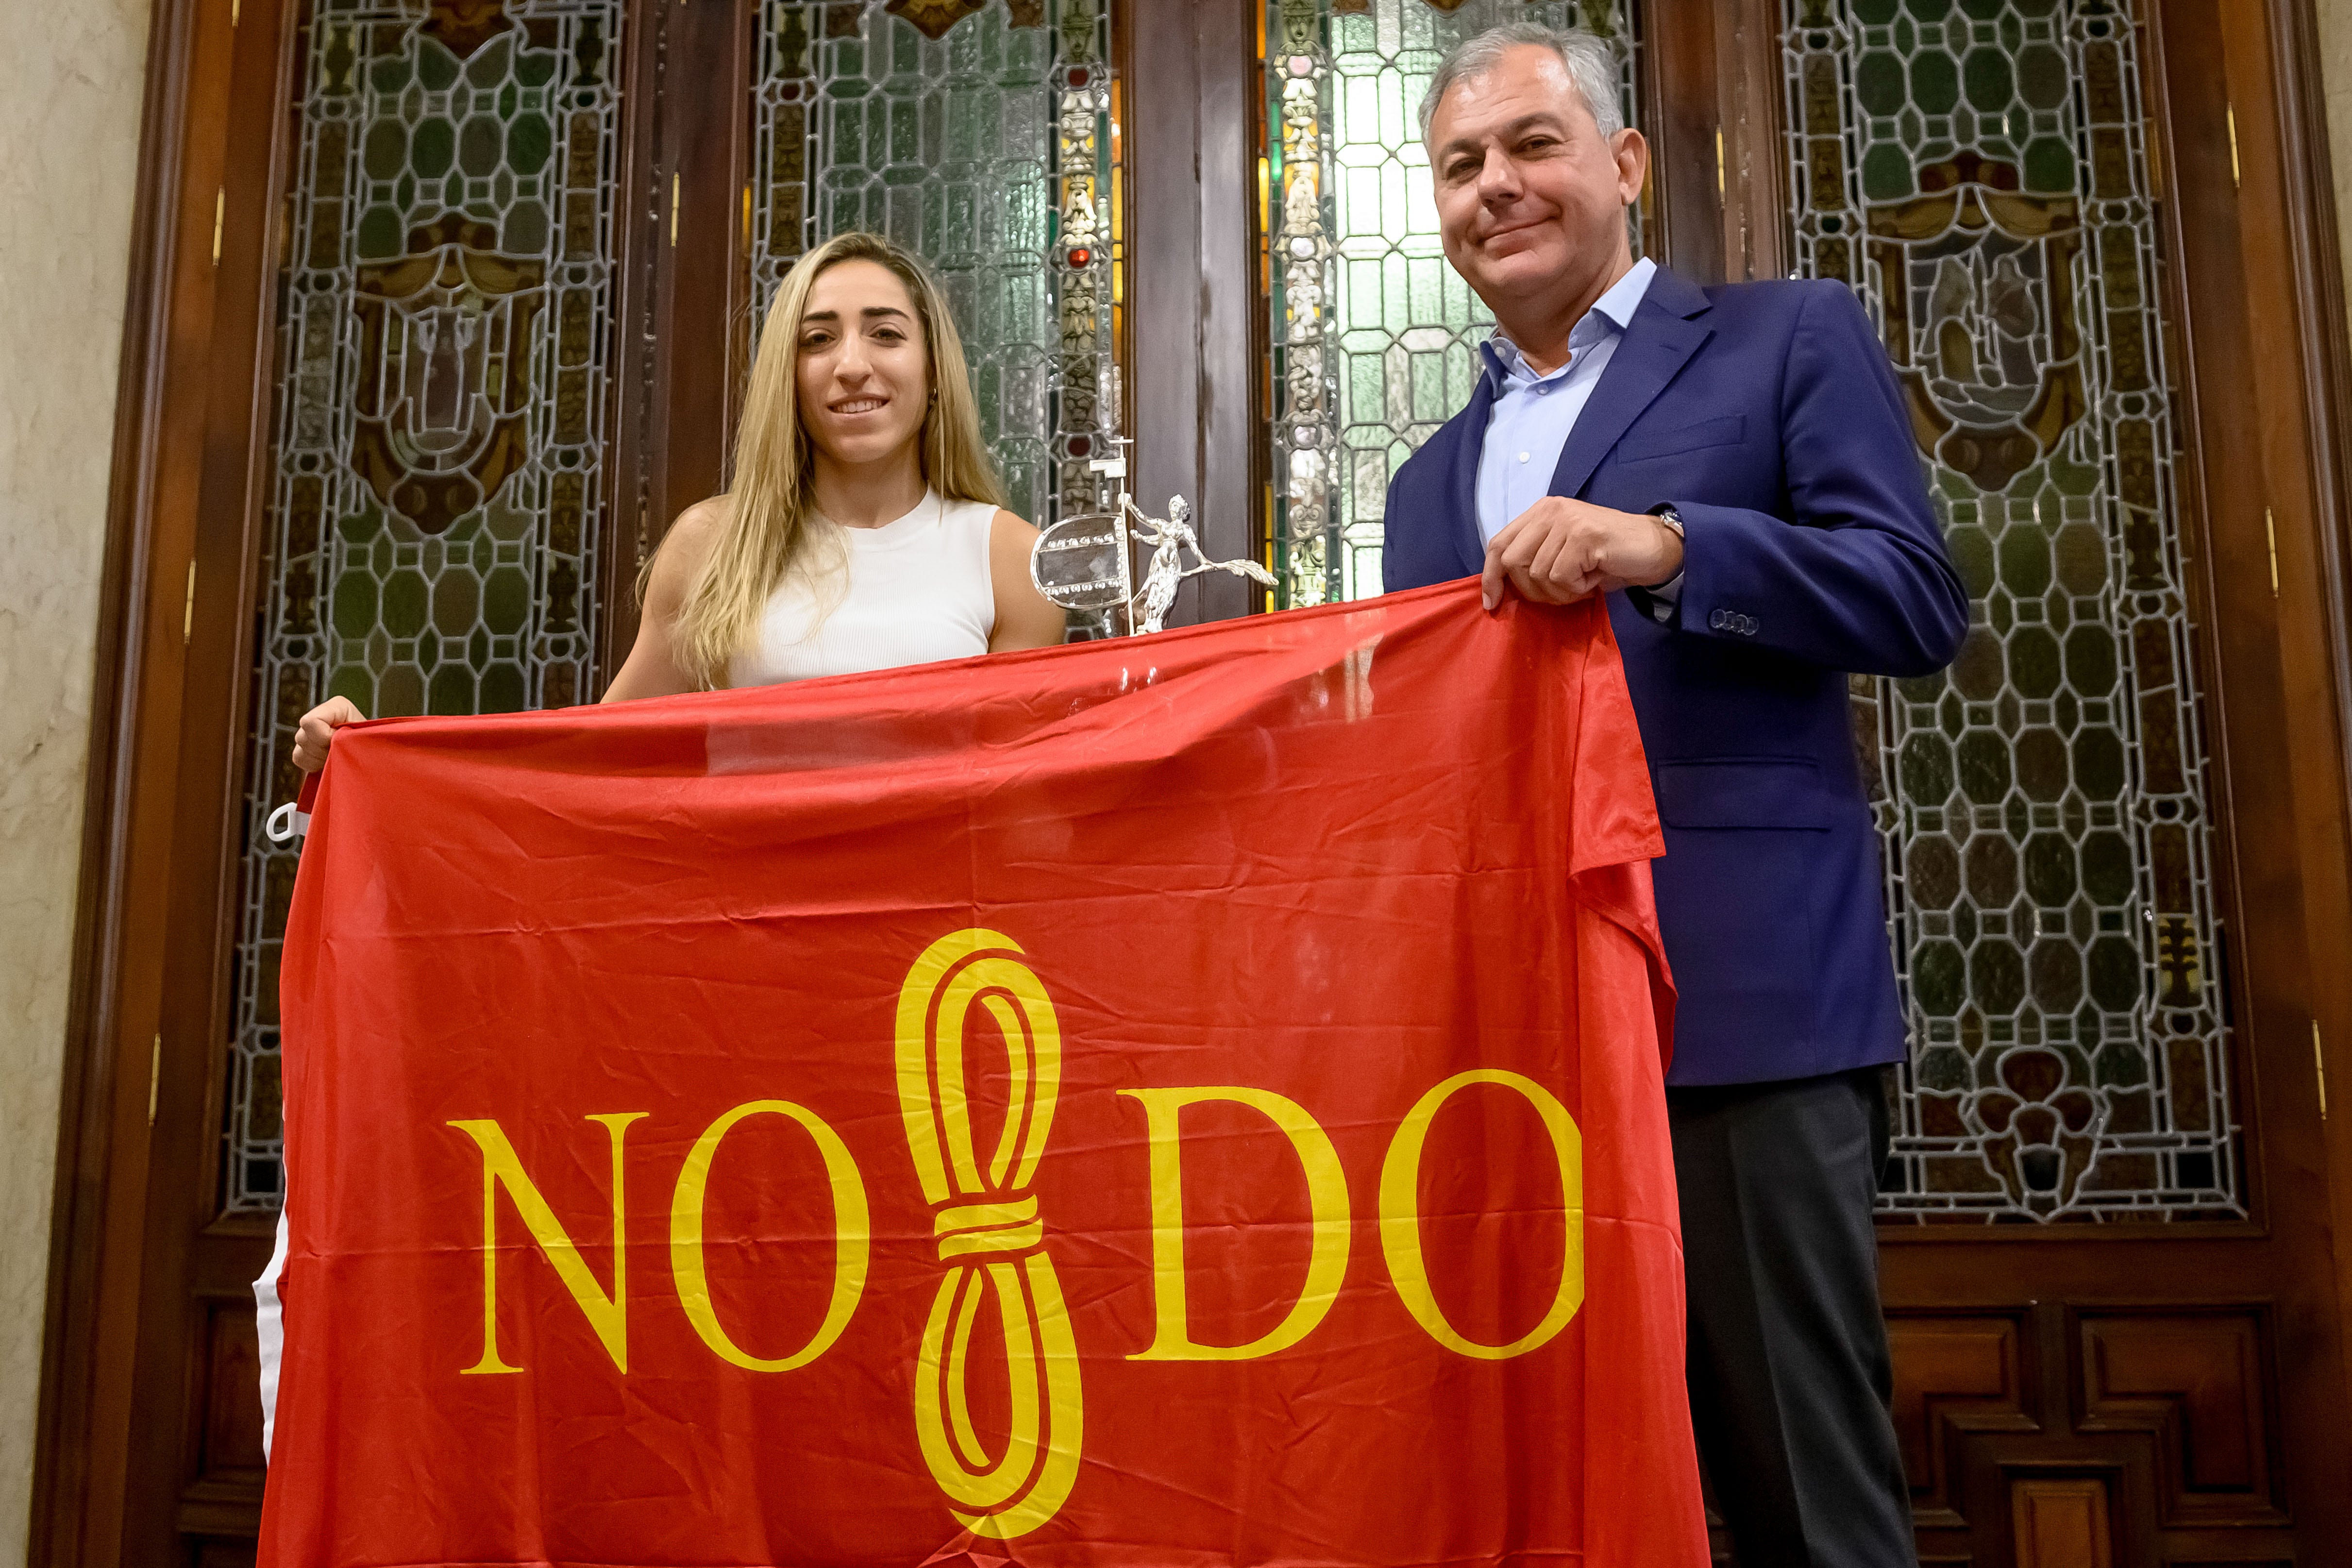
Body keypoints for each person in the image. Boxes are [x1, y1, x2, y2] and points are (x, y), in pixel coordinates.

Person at [258, 230, 1066, 1453]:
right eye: (818, 337)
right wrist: (383, 768)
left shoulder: (1006, 555)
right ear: (783, 376)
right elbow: (585, 770)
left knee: (902, 1346)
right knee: (752, 1337)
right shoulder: (716, 545)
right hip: (733, 1012)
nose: (853, 365)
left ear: (933, 367)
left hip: (922, 1024)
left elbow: (1035, 812)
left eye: (884, 333)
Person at [1381, 23, 1968, 1568]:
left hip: (1744, 1017)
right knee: (1562, 1494)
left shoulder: (1786, 337)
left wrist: (1671, 544)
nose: (1492, 187)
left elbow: (1913, 601)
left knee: (1801, 1497)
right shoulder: (1421, 480)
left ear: (1624, 164)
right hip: (1508, 1055)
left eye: (1529, 145)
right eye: (1458, 167)